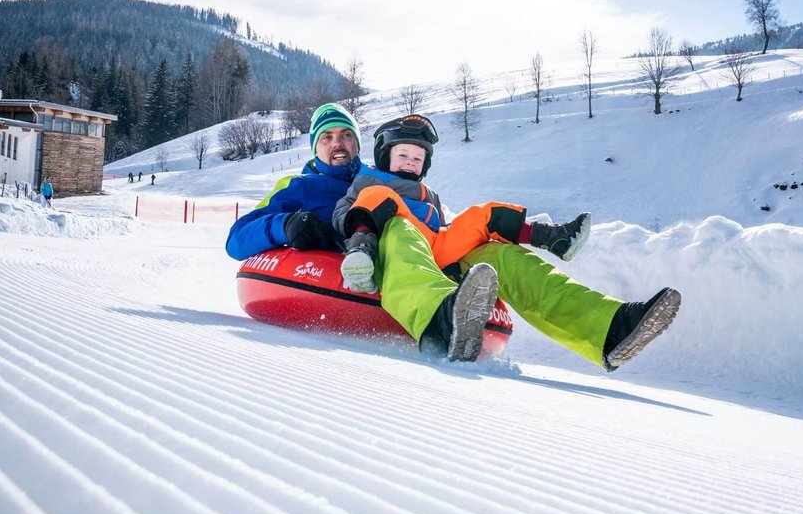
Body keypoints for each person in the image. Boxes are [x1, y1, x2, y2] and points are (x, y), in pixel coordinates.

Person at [225, 103, 680, 371]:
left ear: (361, 145)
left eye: (346, 135)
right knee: (398, 227)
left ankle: (606, 328)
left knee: (497, 253)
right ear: (315, 145)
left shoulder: (392, 174)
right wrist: (285, 225)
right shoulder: (297, 187)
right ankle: (441, 322)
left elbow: (439, 230)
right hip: (363, 261)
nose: (338, 143)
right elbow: (236, 240)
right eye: (327, 138)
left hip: (423, 255)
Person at [331, 113, 590, 295]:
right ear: (384, 155)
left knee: (483, 213)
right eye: (403, 154)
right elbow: (343, 210)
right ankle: (361, 258)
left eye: (418, 158)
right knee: (376, 196)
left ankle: (551, 237)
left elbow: (442, 226)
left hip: (434, 248)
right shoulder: (370, 180)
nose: (410, 161)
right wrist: (354, 228)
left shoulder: (430, 194)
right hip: (394, 249)